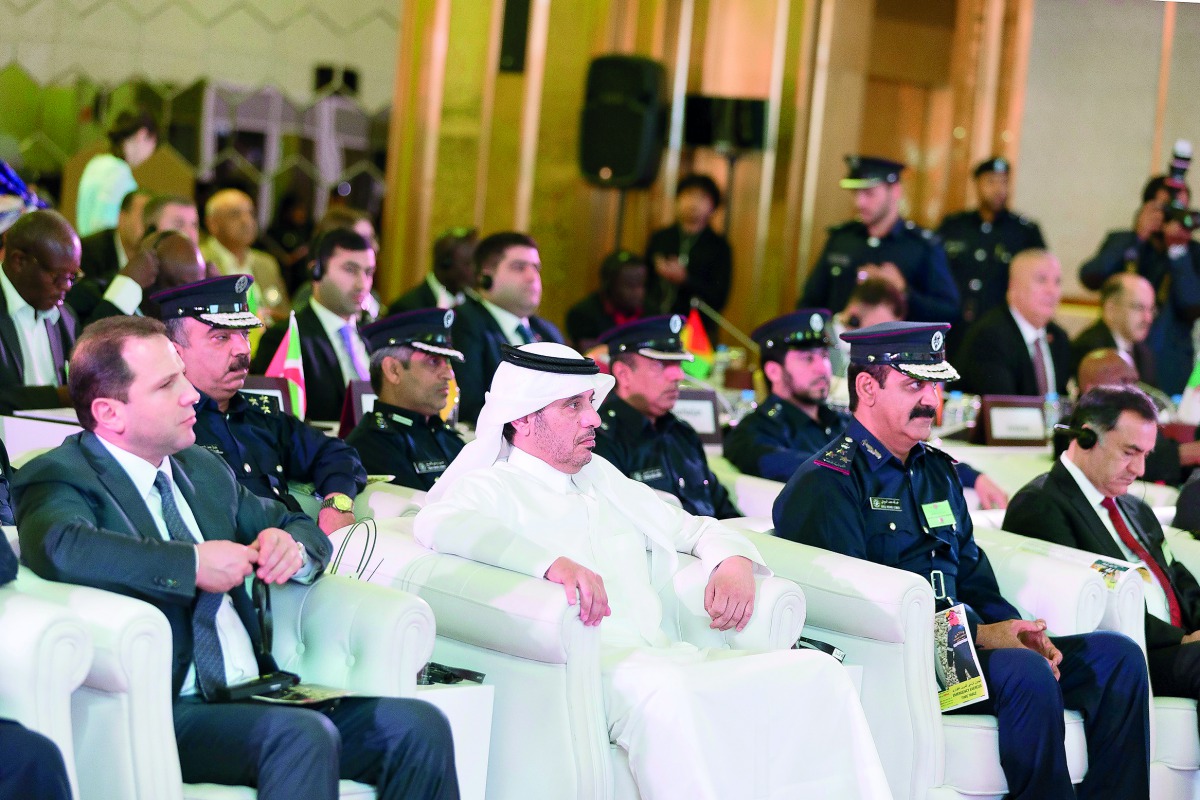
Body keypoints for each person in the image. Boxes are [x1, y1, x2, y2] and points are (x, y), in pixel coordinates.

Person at [413, 340, 891, 799]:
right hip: (591, 669)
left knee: (818, 673)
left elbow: (697, 529)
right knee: (672, 692)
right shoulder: (492, 487)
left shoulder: (601, 476)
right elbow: (440, 523)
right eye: (573, 407)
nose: (594, 418)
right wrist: (549, 565)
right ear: (523, 420)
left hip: (666, 655)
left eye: (590, 403)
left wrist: (733, 561)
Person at [12, 316, 458, 799]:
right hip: (166, 705)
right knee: (301, 738)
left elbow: (293, 523)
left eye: (182, 375)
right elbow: (61, 546)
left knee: (419, 725)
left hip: (254, 690)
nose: (190, 395)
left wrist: (292, 548)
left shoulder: (201, 468)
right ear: (110, 412)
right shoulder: (59, 473)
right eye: (167, 384)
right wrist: (192, 565)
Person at [772, 321, 1151, 800]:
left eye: (935, 384)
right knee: (1025, 674)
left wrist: (1016, 629)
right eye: (914, 384)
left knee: (1119, 658)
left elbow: (973, 576)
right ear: (867, 387)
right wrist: (981, 636)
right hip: (904, 659)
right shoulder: (828, 483)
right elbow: (857, 611)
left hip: (967, 648)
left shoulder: (937, 473)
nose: (932, 399)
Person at [1005, 384, 1200, 722]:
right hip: (1126, 655)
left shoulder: (1135, 507)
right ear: (1086, 438)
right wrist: (1184, 640)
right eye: (1129, 452)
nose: (1139, 470)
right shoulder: (1041, 504)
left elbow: (1178, 579)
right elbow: (1091, 607)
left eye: (1145, 455)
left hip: (1178, 646)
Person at [724, 309, 1009, 506]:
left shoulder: (840, 420)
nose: (822, 368)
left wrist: (974, 477)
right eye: (807, 359)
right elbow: (796, 469)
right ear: (774, 371)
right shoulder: (753, 429)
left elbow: (903, 453)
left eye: (824, 355)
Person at [157, 276, 366, 535]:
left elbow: (337, 453)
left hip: (302, 553)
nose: (243, 349)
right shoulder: (164, 429)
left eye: (244, 334)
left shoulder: (261, 417)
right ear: (175, 353)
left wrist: (337, 504)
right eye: (221, 337)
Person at [592, 315, 741, 519]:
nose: (678, 375)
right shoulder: (601, 437)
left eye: (678, 363)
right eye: (660, 365)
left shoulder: (682, 432)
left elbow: (725, 511)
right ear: (623, 374)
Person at [800, 155, 959, 322]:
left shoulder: (922, 246)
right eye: (855, 193)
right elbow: (810, 303)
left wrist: (903, 291)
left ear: (895, 191)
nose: (859, 202)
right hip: (838, 344)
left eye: (869, 193)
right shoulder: (841, 239)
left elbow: (948, 312)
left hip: (895, 345)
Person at [251, 228, 375, 422]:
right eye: (350, 270)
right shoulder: (285, 337)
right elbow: (269, 422)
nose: (363, 284)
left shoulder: (373, 336)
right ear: (316, 270)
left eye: (369, 272)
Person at [451, 231, 564, 424]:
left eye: (536, 267)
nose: (533, 276)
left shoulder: (548, 332)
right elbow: (470, 405)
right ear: (485, 276)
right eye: (519, 267)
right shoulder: (464, 322)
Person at [345, 309, 465, 490]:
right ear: (393, 370)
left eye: (447, 362)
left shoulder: (449, 440)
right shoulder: (368, 449)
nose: (449, 374)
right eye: (433, 361)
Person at [937, 157, 1046, 351]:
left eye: (1004, 182)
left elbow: (1040, 277)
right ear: (977, 184)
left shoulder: (1024, 231)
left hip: (1000, 330)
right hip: (955, 328)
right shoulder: (954, 226)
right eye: (991, 181)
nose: (998, 189)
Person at [1071, 349, 1200, 486]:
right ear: (1092, 388)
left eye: (1135, 382)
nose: (1134, 390)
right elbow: (1148, 462)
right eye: (1124, 381)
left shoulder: (1140, 423)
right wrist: (1190, 453)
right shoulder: (1074, 428)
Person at [957, 249, 1071, 397]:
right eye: (1041, 280)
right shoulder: (990, 336)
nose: (1052, 291)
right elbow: (1004, 407)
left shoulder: (1058, 337)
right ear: (1013, 286)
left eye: (1057, 282)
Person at [0, 209, 81, 414]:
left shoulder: (65, 317)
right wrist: (57, 397)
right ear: (19, 261)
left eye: (72, 276)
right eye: (58, 276)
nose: (67, 287)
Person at [644, 174, 731, 341]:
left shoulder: (718, 246)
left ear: (713, 205)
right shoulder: (661, 238)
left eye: (701, 198)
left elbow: (720, 296)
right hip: (654, 322)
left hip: (697, 331)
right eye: (688, 195)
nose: (693, 203)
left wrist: (685, 280)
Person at [67, 230, 206, 326]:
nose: (188, 302)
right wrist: (128, 284)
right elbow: (87, 351)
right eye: (178, 289)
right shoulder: (88, 296)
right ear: (149, 274)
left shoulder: (189, 321)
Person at [1079, 174, 1191, 293]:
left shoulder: (1194, 253)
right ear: (1147, 209)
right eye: (1168, 208)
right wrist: (1138, 237)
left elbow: (1193, 303)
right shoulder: (1121, 241)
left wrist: (1178, 249)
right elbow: (1090, 277)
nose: (1174, 216)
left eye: (1181, 210)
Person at [201, 188, 290, 325]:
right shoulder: (200, 261)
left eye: (251, 213)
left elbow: (284, 314)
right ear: (213, 224)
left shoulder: (266, 263)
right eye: (235, 215)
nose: (246, 221)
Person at [76, 108, 157, 237]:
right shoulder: (119, 173)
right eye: (152, 145)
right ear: (142, 135)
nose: (148, 156)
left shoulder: (95, 163)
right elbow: (104, 226)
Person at [1071, 272, 1157, 386]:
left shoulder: (1144, 353)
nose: (1148, 318)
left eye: (1151, 309)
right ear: (1111, 309)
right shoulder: (1089, 349)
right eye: (1139, 308)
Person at [564, 250, 646, 351]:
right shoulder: (582, 315)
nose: (639, 292)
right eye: (630, 286)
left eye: (641, 284)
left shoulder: (651, 312)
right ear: (609, 285)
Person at [74, 189, 150, 291]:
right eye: (144, 216)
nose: (148, 225)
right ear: (122, 218)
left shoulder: (153, 258)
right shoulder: (88, 252)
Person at [389, 227, 477, 313]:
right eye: (468, 264)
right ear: (445, 264)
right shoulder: (407, 308)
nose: (477, 271)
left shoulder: (473, 306)